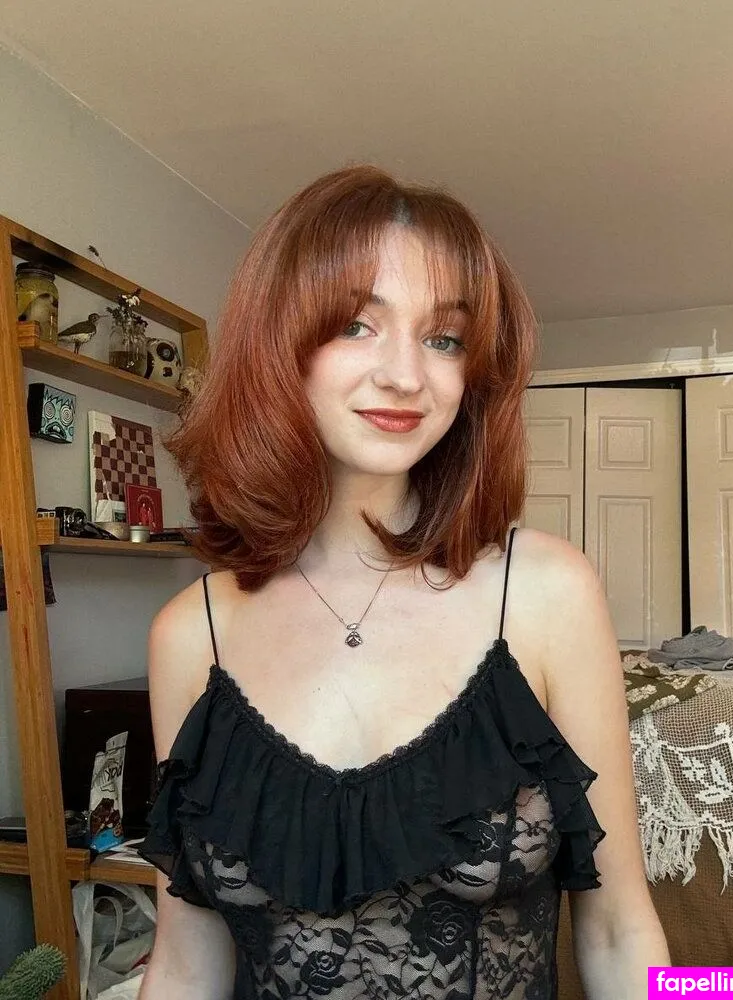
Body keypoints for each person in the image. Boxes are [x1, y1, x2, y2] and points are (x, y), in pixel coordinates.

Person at [137, 165, 669, 1000]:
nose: (405, 375)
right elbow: (184, 960)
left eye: (444, 338)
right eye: (356, 325)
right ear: (276, 345)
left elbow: (617, 933)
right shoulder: (189, 633)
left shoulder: (544, 593)